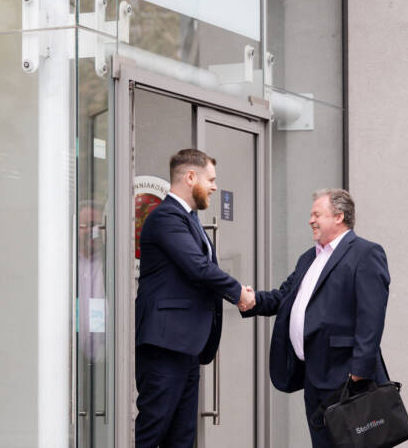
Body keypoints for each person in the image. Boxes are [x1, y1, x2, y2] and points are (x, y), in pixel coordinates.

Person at [240, 188, 390, 448]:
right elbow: (284, 297)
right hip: (314, 375)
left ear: (339, 216)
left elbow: (372, 317)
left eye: (316, 214)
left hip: (346, 378)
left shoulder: (365, 253)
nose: (311, 220)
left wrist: (359, 374)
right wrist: (251, 301)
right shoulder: (309, 258)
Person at [134, 148, 255, 448]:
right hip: (164, 345)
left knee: (182, 438)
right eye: (210, 179)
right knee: (153, 432)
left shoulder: (190, 219)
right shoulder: (164, 217)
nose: (215, 186)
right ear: (190, 177)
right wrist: (239, 292)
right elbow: (199, 268)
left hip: (187, 346)